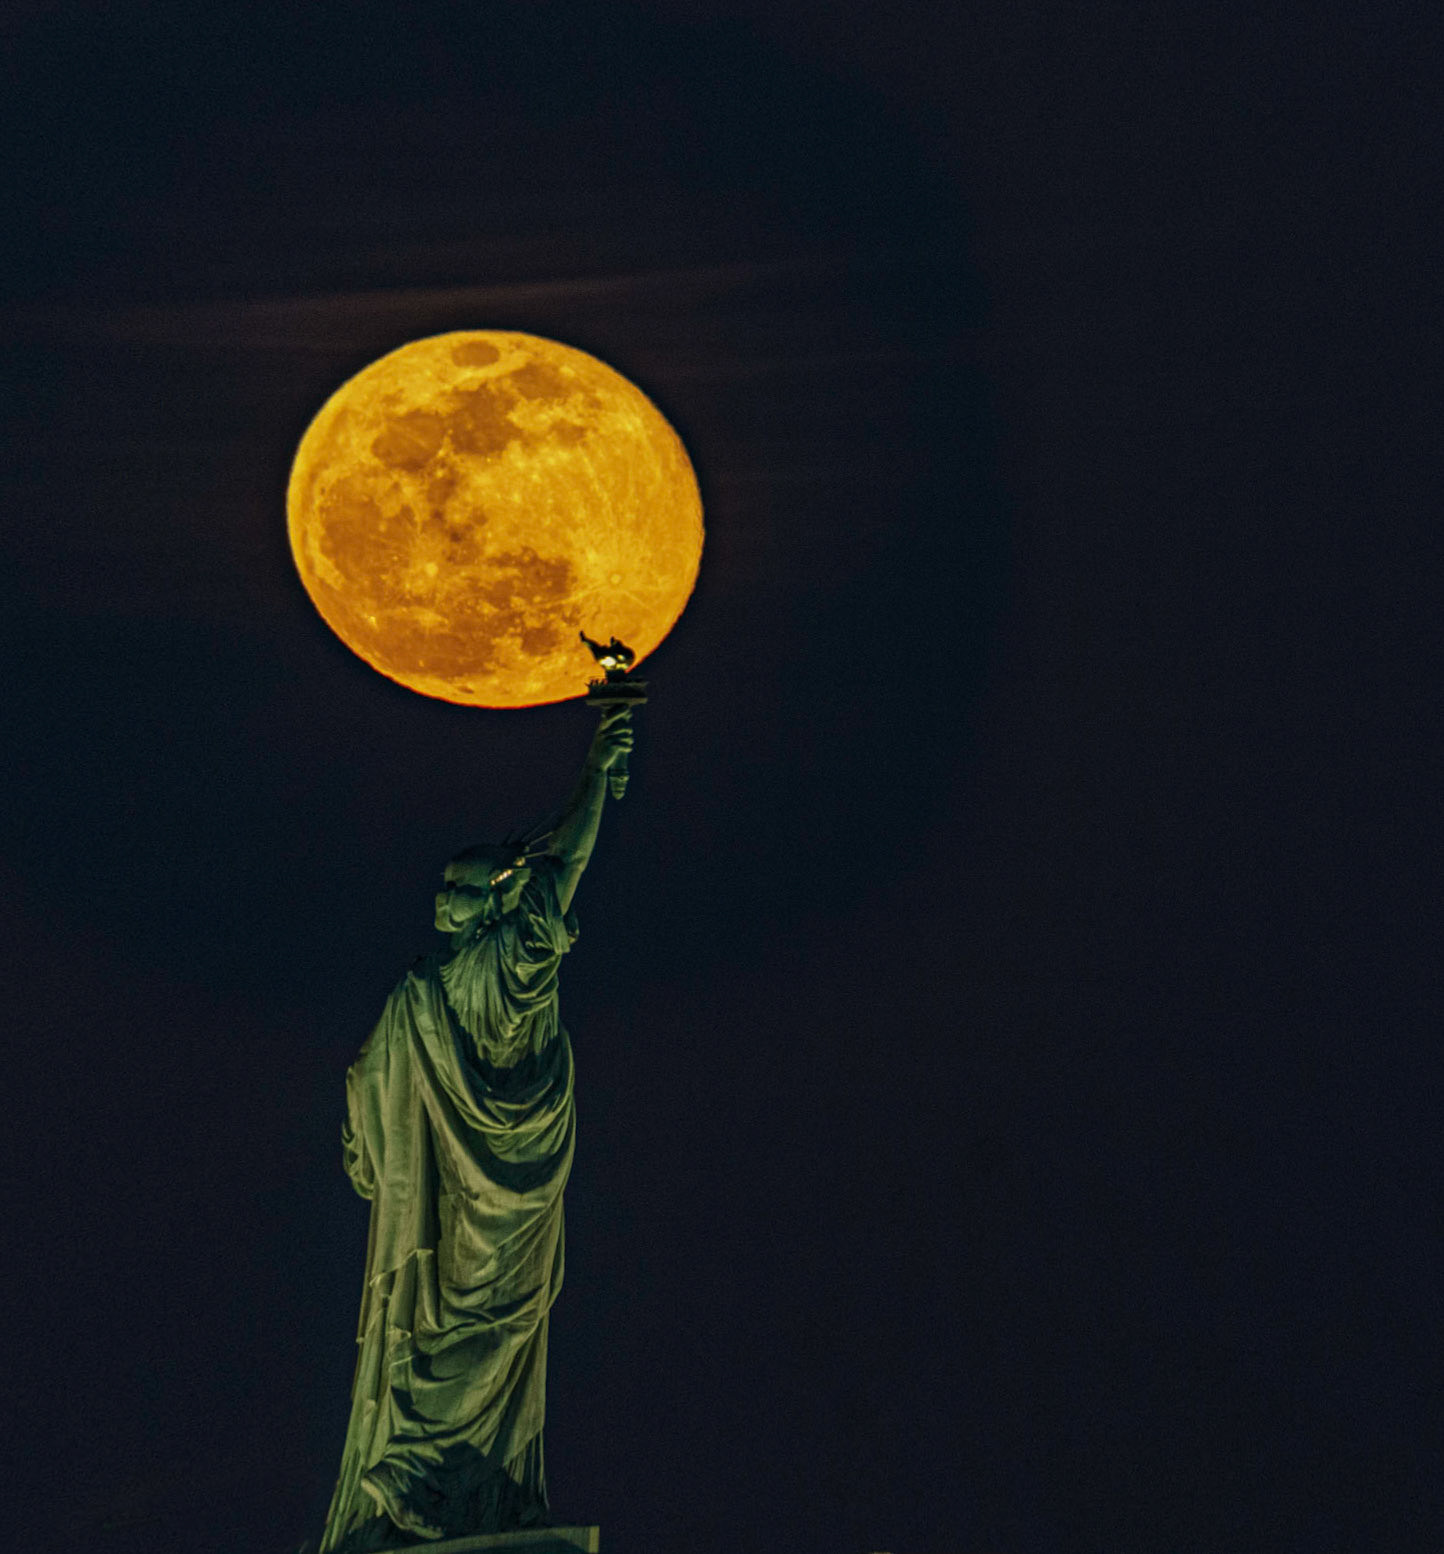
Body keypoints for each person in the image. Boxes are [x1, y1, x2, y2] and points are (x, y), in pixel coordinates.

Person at [317, 706, 634, 1553]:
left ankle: (434, 1487)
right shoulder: (446, 986)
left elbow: (560, 867)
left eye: (458, 887)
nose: (439, 899)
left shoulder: (461, 979)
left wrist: (595, 778)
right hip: (498, 1208)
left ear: (489, 902)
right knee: (464, 1341)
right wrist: (596, 777)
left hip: (474, 1214)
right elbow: (562, 866)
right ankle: (433, 1487)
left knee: (453, 1343)